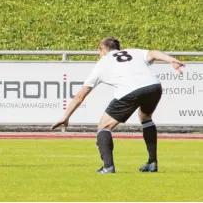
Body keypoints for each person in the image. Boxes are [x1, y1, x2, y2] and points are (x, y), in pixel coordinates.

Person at [51, 37, 185, 174]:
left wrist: (65, 116)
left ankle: (108, 167)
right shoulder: (133, 51)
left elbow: (81, 94)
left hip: (130, 90)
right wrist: (171, 60)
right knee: (146, 117)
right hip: (153, 86)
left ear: (102, 50)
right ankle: (152, 162)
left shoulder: (102, 63)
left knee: (104, 127)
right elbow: (153, 53)